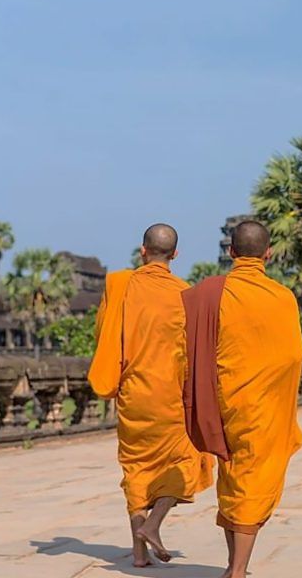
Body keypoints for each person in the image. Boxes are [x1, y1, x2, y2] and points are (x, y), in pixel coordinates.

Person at [182, 220, 302, 578]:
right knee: (251, 481)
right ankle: (238, 570)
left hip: (225, 402)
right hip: (264, 407)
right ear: (269, 254)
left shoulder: (211, 292)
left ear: (231, 251)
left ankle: (233, 565)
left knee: (233, 477)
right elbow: (293, 356)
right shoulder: (283, 297)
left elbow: (182, 338)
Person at [88, 223, 214, 567]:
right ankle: (154, 522)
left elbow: (105, 333)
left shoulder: (121, 286)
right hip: (171, 397)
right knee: (188, 461)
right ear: (175, 255)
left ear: (142, 251)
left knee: (136, 469)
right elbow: (195, 350)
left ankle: (140, 553)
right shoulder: (186, 294)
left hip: (134, 394)